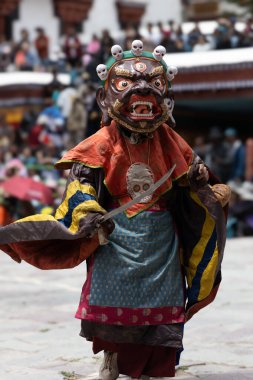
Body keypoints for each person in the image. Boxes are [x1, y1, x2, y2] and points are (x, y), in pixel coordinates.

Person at [0, 42, 230, 379]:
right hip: (115, 237)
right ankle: (112, 357)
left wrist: (205, 190)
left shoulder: (172, 141)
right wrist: (88, 213)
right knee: (111, 306)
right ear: (105, 96)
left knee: (163, 306)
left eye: (156, 87)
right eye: (124, 86)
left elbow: (193, 180)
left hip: (162, 241)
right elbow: (80, 187)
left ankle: (158, 364)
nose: (144, 99)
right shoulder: (100, 143)